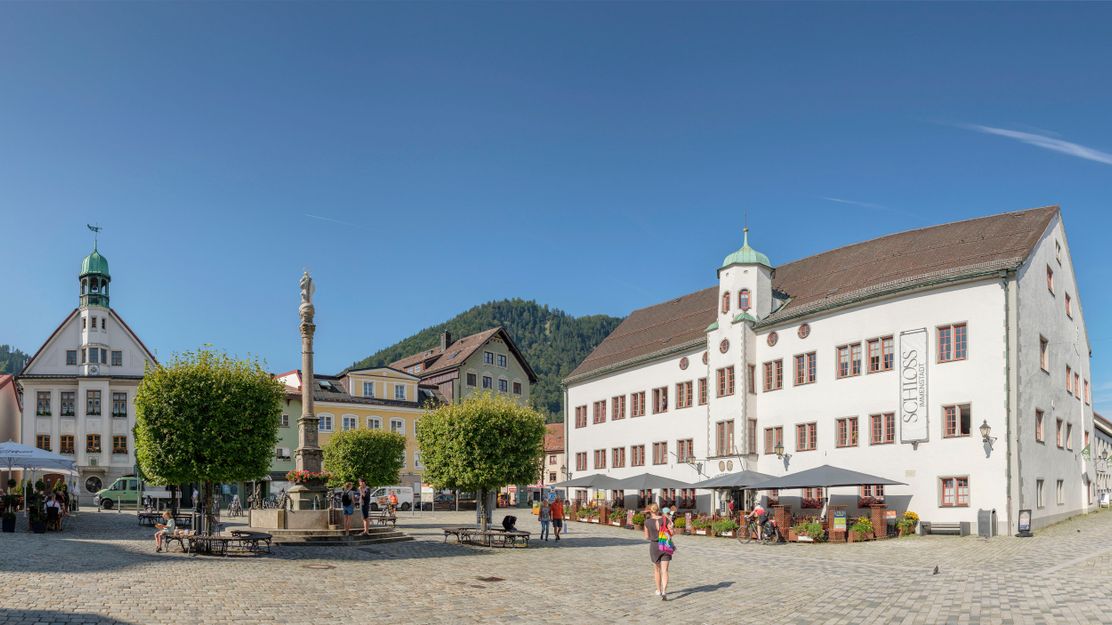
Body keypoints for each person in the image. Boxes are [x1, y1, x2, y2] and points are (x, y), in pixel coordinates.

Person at [643, 504, 673, 601]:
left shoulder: (647, 522)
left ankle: (658, 590)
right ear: (658, 510)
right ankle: (664, 591)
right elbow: (672, 533)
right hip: (665, 545)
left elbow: (646, 537)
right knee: (665, 570)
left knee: (657, 570)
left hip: (655, 546)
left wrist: (653, 535)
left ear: (650, 511)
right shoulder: (665, 519)